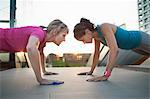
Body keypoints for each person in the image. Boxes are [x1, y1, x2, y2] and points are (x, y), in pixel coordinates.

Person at [73, 18, 150, 82]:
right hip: (134, 47)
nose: (84, 43)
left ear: (87, 32)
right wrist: (91, 71)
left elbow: (114, 50)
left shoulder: (104, 28)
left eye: (82, 40)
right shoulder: (96, 37)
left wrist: (106, 75)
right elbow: (96, 54)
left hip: (140, 39)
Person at [0, 19, 69, 85]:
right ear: (54, 32)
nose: (64, 40)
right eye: (63, 35)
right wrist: (40, 80)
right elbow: (31, 48)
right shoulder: (39, 32)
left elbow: (41, 54)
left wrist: (44, 71)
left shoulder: (42, 41)